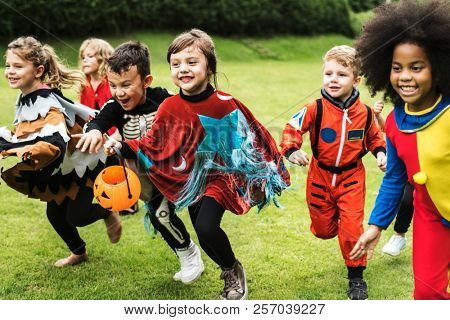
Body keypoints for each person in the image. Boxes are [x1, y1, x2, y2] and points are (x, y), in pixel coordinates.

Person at [102, 29, 290, 300]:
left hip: (221, 178)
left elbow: (252, 142)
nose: (183, 69)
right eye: (176, 64)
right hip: (191, 181)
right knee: (204, 235)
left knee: (206, 227)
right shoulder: (169, 106)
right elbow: (152, 143)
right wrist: (121, 145)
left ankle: (231, 272)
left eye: (192, 62)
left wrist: (259, 180)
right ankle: (229, 265)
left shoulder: (224, 104)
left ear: (209, 67)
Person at [75, 41, 204, 284]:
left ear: (146, 81)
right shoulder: (115, 107)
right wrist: (93, 132)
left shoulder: (162, 98)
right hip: (148, 175)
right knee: (160, 215)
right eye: (113, 86)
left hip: (177, 169)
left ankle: (210, 252)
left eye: (126, 85)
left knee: (197, 217)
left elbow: (188, 118)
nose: (119, 92)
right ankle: (188, 253)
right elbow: (98, 121)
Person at [349, 0, 450, 300]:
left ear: (438, 68)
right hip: (431, 215)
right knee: (426, 294)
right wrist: (376, 225)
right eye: (397, 68)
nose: (405, 76)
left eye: (416, 67)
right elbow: (394, 178)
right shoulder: (394, 121)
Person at [0, 36, 120, 267]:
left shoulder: (45, 101)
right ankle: (79, 252)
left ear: (38, 70)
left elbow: (55, 141)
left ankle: (107, 213)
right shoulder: (26, 96)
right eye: (8, 66)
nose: (10, 71)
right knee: (54, 215)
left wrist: (20, 150)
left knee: (77, 215)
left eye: (18, 66)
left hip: (84, 162)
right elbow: (28, 130)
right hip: (64, 166)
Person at [280, 45, 386, 300]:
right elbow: (291, 128)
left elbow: (375, 137)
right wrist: (291, 150)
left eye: (341, 74)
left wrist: (381, 153)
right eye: (328, 74)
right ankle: (337, 226)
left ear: (356, 80)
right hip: (320, 176)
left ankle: (356, 277)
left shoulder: (366, 113)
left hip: (352, 178)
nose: (333, 79)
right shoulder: (314, 108)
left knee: (351, 227)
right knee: (324, 230)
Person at [373, 100, 414, 257]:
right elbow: (392, 131)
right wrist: (377, 116)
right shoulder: (400, 110)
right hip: (409, 170)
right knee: (407, 198)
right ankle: (399, 235)